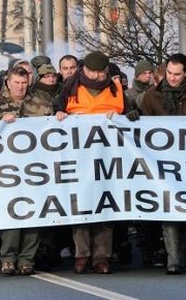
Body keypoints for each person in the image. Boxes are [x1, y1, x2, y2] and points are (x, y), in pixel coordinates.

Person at [135, 53, 186, 274]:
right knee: (170, 209)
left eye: (177, 74)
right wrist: (134, 117)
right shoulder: (153, 95)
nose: (172, 78)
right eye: (169, 73)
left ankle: (183, 254)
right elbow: (142, 125)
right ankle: (174, 260)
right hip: (163, 163)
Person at [55, 51, 129, 274]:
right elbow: (56, 111)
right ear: (83, 70)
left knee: (105, 206)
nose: (97, 76)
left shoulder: (116, 90)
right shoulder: (69, 87)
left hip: (107, 159)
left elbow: (131, 113)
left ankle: (101, 257)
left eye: (101, 72)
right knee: (81, 207)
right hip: (78, 159)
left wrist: (125, 118)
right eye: (92, 71)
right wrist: (58, 114)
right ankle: (81, 254)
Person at [0, 67, 53, 276]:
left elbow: (55, 129)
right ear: (8, 83)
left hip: (35, 168)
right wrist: (0, 123)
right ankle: (8, 258)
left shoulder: (43, 102)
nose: (20, 87)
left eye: (23, 83)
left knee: (33, 213)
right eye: (16, 83)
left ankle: (27, 259)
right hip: (7, 170)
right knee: (11, 213)